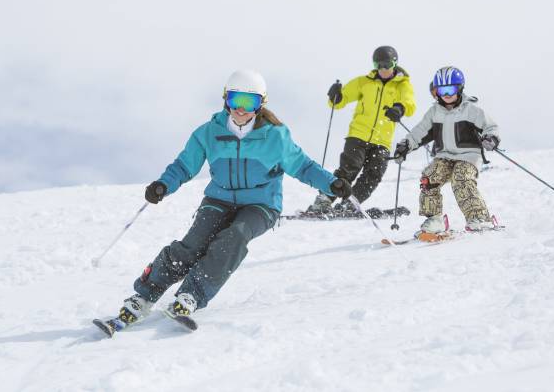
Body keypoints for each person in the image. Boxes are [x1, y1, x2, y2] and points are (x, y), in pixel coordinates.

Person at [101, 69, 352, 334]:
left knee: (234, 237)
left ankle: (192, 295)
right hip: (219, 198)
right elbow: (185, 165)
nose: (241, 109)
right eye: (236, 100)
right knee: (192, 244)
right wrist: (163, 185)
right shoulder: (208, 133)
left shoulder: (276, 136)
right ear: (225, 100)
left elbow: (303, 166)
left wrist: (331, 184)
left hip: (262, 204)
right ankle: (143, 296)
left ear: (260, 104)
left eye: (250, 102)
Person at [306, 45, 416, 216]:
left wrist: (399, 108)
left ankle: (350, 204)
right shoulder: (364, 82)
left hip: (382, 140)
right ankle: (324, 201)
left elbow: (409, 104)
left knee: (374, 174)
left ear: (394, 64)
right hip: (358, 135)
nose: (383, 69)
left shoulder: (403, 85)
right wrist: (336, 95)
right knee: (349, 169)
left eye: (387, 65)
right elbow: (340, 101)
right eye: (378, 65)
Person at [393, 66, 500, 241]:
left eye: (451, 89)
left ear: (460, 88)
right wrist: (405, 145)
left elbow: (491, 126)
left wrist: (491, 138)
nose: (447, 94)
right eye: (442, 90)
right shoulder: (434, 112)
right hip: (444, 156)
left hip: (468, 156)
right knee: (429, 177)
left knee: (461, 178)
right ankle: (434, 219)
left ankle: (479, 217)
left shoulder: (470, 109)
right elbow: (419, 132)